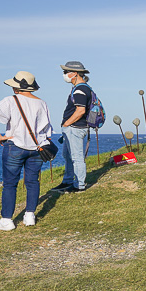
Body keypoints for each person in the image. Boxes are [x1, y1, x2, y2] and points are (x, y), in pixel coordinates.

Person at [0, 71, 54, 231]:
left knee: (10, 184)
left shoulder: (10, 100)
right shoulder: (42, 103)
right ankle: (30, 216)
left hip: (15, 146)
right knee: (32, 182)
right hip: (36, 148)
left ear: (17, 88)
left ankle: (7, 220)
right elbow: (46, 129)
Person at [52, 61, 94, 193]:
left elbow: (80, 110)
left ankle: (79, 185)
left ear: (74, 73)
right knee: (68, 155)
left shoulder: (80, 89)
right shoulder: (82, 88)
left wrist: (66, 123)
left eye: (66, 72)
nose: (64, 75)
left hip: (75, 128)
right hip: (74, 127)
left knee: (76, 157)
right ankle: (68, 180)